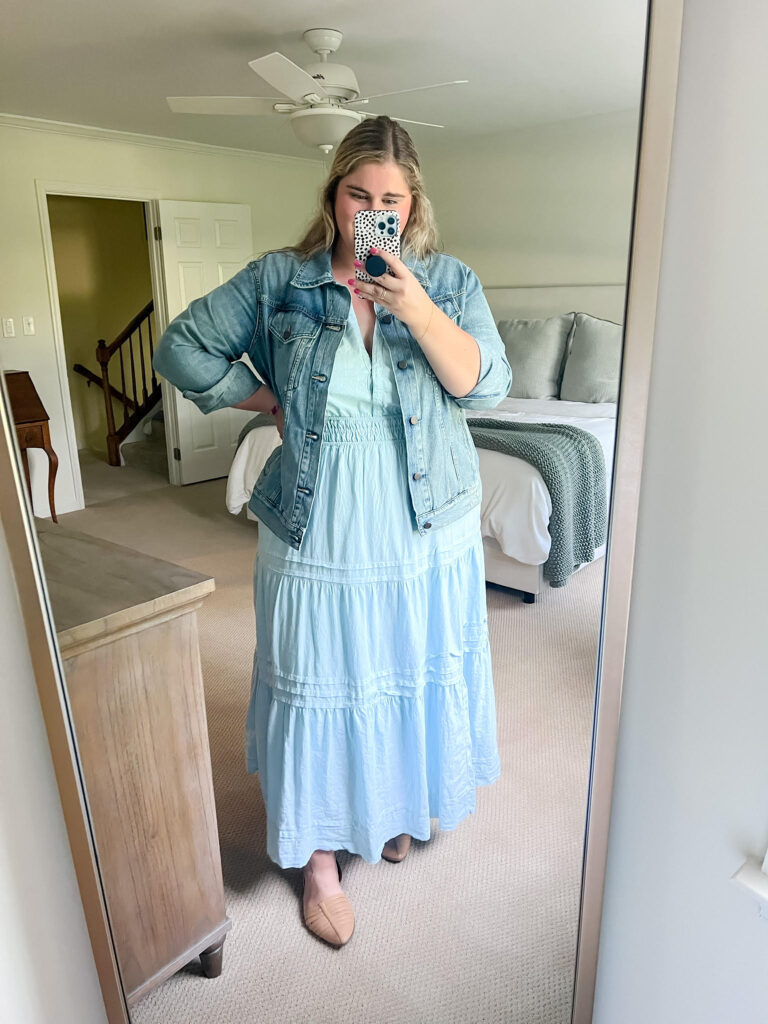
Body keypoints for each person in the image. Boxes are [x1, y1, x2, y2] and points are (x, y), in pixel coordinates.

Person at [153, 115, 512, 948]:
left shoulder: (448, 284)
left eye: (391, 198)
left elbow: (485, 386)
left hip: (427, 519)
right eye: (359, 194)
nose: (372, 210)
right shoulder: (282, 279)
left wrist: (413, 304)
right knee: (321, 676)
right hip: (319, 515)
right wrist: (268, 400)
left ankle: (389, 809)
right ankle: (319, 863)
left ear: (412, 204)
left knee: (401, 668)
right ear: (334, 195)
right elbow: (183, 351)